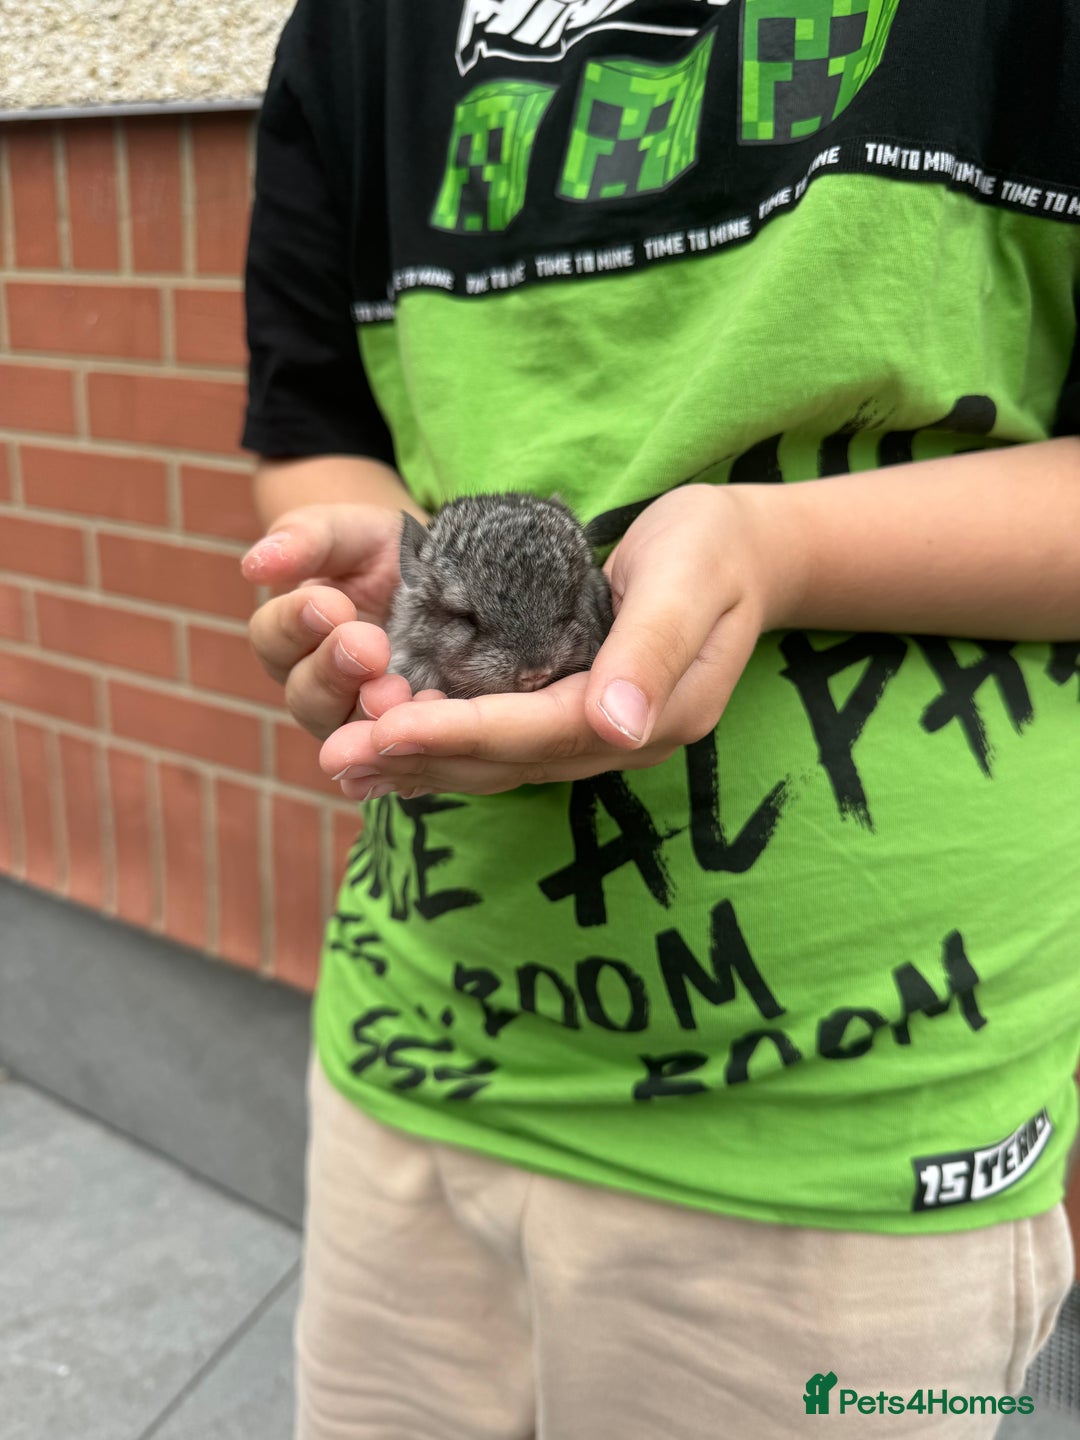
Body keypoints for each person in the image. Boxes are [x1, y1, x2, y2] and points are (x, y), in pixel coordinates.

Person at [240, 2, 1080, 1435]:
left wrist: (787, 550)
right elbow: (317, 424)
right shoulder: (357, 28)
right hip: (414, 1056)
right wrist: (363, 608)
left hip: (848, 1133)